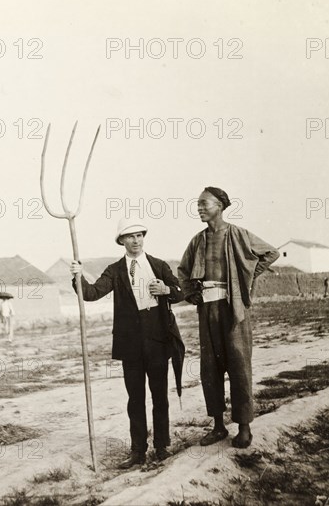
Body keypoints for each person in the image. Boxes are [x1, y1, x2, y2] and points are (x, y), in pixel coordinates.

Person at [70, 218, 184, 468]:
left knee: (160, 397)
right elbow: (91, 294)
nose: (135, 241)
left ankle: (162, 446)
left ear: (144, 238)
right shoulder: (115, 270)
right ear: (121, 241)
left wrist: (166, 290)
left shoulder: (159, 265)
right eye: (130, 237)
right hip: (130, 344)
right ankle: (137, 451)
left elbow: (180, 292)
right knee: (135, 399)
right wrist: (78, 277)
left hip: (157, 341)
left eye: (139, 236)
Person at [178, 187, 279, 449]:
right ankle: (218, 426)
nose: (199, 208)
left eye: (204, 204)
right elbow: (183, 270)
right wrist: (191, 293)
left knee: (238, 365)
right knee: (210, 368)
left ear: (220, 206)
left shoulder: (238, 234)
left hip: (234, 310)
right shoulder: (197, 240)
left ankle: (244, 428)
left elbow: (270, 253)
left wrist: (245, 278)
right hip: (207, 311)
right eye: (197, 205)